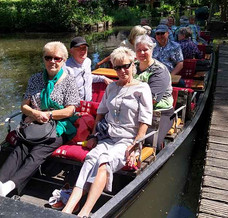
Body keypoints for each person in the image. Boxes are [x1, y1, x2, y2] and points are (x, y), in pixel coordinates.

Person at [0, 41, 80, 197]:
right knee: (20, 149)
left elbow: (70, 110)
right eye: (48, 58)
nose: (52, 62)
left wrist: (48, 115)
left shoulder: (69, 81)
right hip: (35, 123)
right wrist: (35, 114)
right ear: (43, 59)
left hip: (59, 126)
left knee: (38, 152)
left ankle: (9, 186)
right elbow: (24, 106)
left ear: (63, 60)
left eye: (57, 58)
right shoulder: (35, 79)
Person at [62, 47, 153, 217]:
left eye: (125, 66)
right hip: (107, 137)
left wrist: (136, 145)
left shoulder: (142, 88)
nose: (122, 71)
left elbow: (145, 121)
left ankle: (84, 213)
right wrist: (93, 135)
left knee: (104, 162)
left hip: (128, 141)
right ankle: (67, 210)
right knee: (90, 159)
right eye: (117, 67)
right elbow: (100, 114)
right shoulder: (111, 88)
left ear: (133, 65)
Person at [134, 34, 174, 151]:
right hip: (136, 109)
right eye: (138, 50)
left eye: (145, 50)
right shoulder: (133, 66)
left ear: (151, 50)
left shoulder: (159, 71)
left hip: (160, 112)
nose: (142, 53)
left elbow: (151, 101)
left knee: (150, 141)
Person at [64, 37, 112, 101]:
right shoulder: (66, 67)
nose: (82, 51)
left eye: (84, 48)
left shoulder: (87, 61)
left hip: (89, 102)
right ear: (71, 52)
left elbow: (88, 77)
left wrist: (103, 78)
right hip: (74, 105)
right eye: (78, 48)